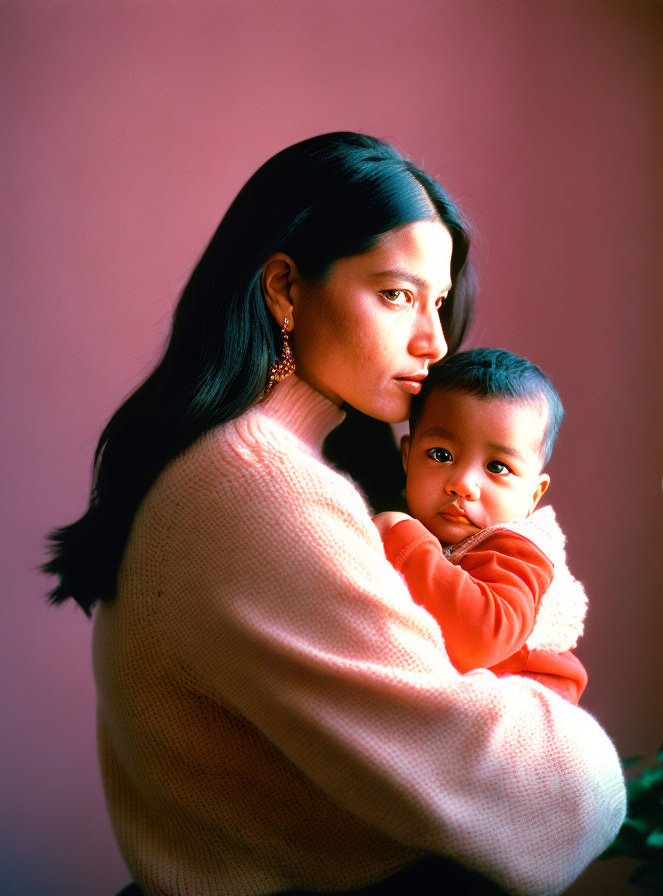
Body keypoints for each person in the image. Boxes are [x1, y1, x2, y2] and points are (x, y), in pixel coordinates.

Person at [43, 133, 625, 896]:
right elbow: (558, 803)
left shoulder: (244, 466)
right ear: (285, 287)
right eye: (396, 294)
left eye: (439, 302)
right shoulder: (259, 491)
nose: (435, 341)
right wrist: (579, 749)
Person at [374, 348, 588, 704]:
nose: (463, 484)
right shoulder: (433, 536)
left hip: (527, 716)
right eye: (441, 455)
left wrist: (402, 537)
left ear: (533, 495)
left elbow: (481, 635)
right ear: (408, 457)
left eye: (497, 467)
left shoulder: (519, 549)